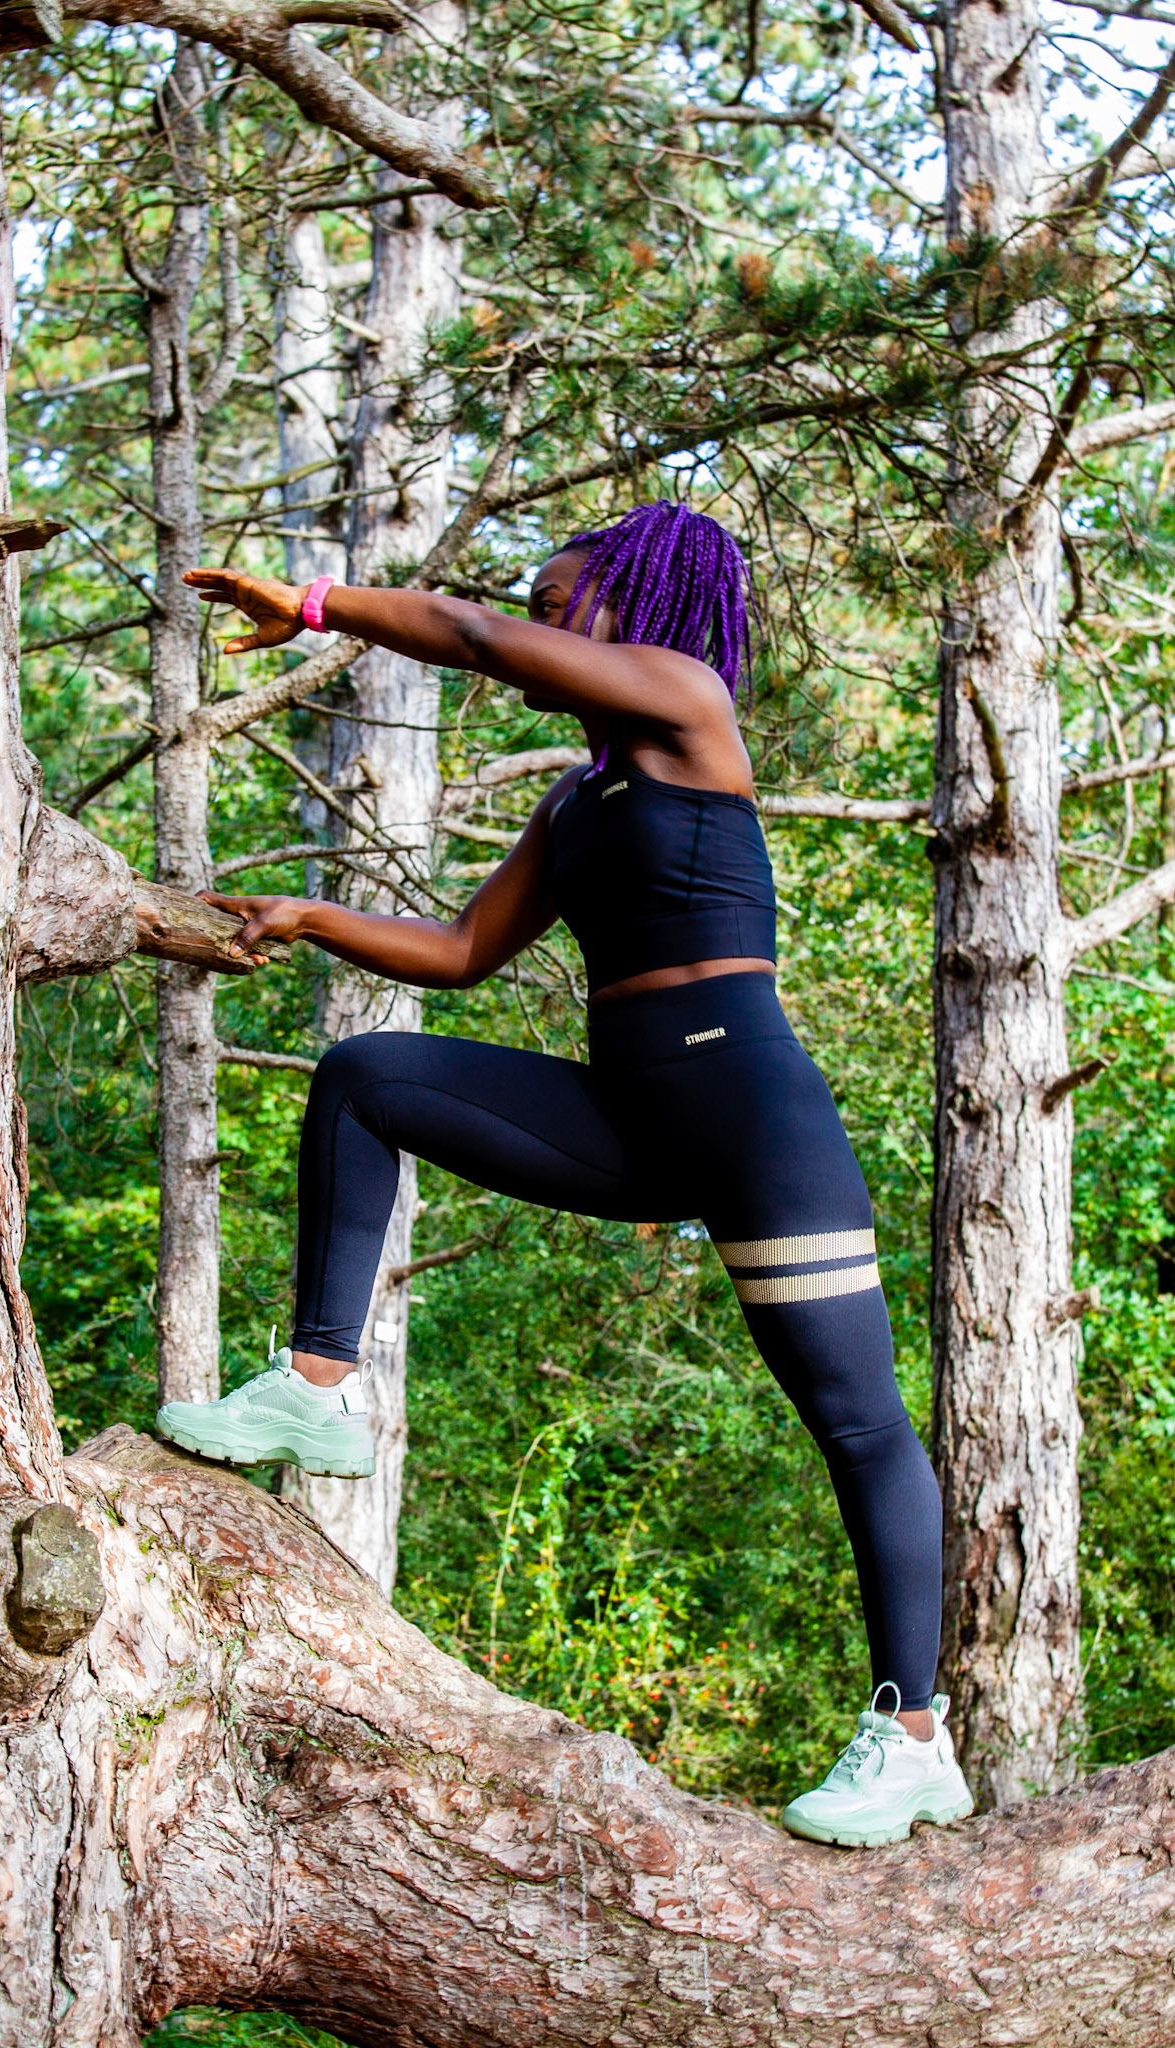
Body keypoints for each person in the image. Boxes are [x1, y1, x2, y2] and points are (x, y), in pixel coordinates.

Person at [154, 501, 973, 1848]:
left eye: (553, 601)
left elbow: (472, 637)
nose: (534, 623)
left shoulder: (686, 702)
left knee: (858, 1424)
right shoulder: (577, 799)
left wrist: (314, 605)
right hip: (629, 1120)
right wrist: (311, 917)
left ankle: (913, 1739)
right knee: (366, 1078)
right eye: (533, 606)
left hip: (750, 1119)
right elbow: (463, 950)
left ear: (626, 606)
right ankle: (315, 1388)